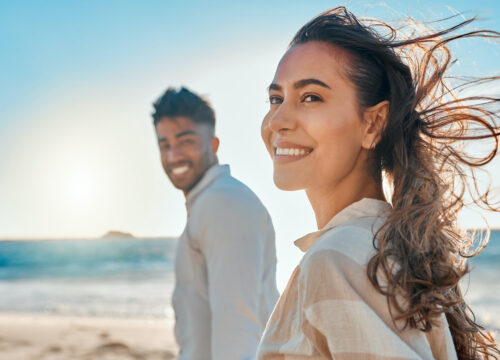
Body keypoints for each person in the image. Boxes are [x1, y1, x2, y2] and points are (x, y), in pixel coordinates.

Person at [257, 7, 500, 360]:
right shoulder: (385, 244)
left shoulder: (337, 259)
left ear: (373, 125)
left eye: (311, 97)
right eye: (275, 99)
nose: (278, 120)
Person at [152, 87, 279, 360]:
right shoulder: (210, 203)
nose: (173, 155)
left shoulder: (223, 203)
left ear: (213, 145)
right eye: (165, 145)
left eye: (186, 141)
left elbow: (238, 329)